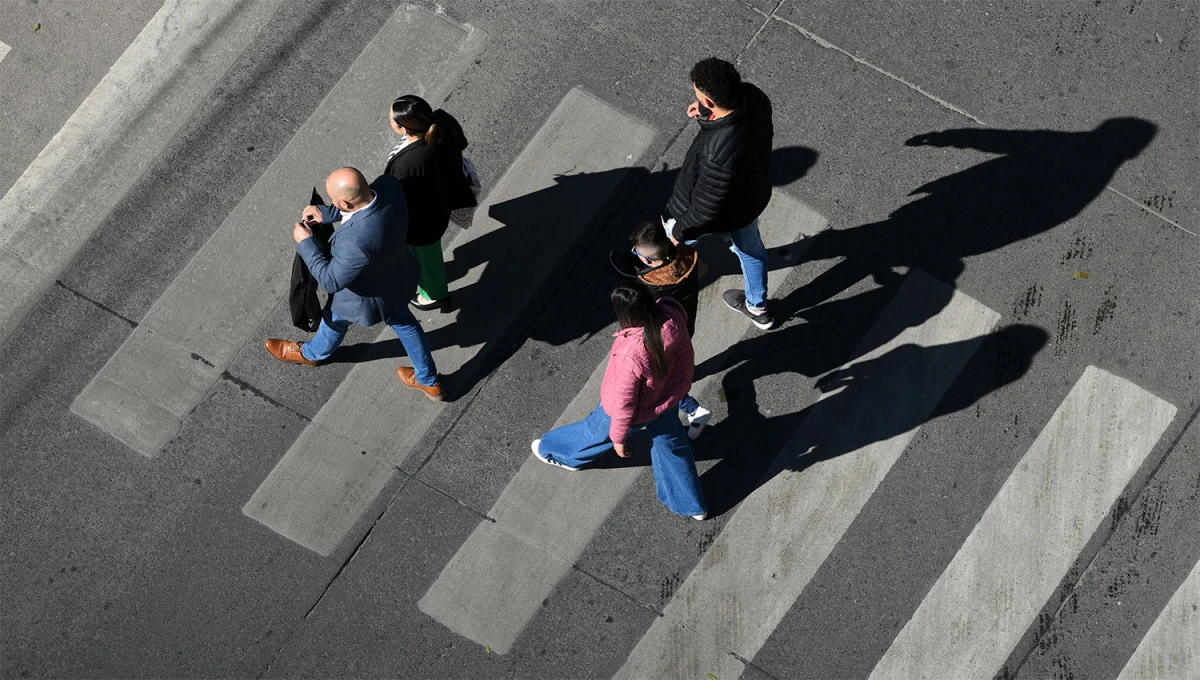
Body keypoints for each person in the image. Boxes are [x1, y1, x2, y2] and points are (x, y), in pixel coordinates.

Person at [264, 167, 444, 402]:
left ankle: (311, 354)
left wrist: (306, 243)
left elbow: (331, 280)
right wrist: (328, 213)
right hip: (398, 276)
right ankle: (429, 381)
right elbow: (360, 209)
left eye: (334, 201)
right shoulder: (389, 186)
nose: (333, 203)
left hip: (364, 298)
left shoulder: (355, 243)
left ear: (346, 203)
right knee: (406, 324)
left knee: (333, 320)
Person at [531, 281, 707, 520]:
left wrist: (619, 439)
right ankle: (691, 504)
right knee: (673, 447)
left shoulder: (630, 352)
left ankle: (556, 452)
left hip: (639, 412)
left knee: (593, 432)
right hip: (668, 400)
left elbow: (623, 403)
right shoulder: (673, 314)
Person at [665, 57, 776, 330]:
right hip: (749, 198)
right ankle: (757, 307)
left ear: (712, 101)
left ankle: (664, 300)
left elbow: (704, 209)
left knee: (671, 249)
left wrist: (678, 234)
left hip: (724, 210)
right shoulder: (755, 97)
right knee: (751, 251)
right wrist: (707, 115)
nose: (697, 100)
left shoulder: (716, 154)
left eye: (700, 97)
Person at [611, 221, 711, 439]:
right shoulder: (687, 254)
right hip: (686, 323)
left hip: (663, 335)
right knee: (675, 366)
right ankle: (689, 392)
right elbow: (703, 269)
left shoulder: (649, 281)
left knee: (661, 377)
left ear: (646, 259)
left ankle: (694, 409)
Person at [385, 94, 475, 312]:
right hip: (442, 202)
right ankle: (434, 281)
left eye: (391, 120)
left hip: (422, 223)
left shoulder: (408, 164)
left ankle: (435, 295)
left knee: (426, 259)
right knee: (429, 255)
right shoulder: (443, 121)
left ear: (404, 129)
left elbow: (399, 198)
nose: (389, 122)